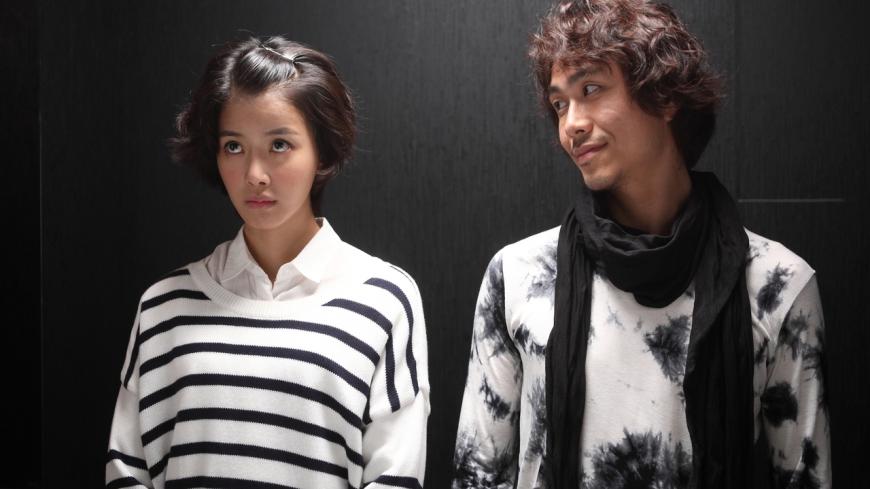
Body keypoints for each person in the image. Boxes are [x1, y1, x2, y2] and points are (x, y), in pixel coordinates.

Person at [452, 1, 830, 488]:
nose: (571, 125)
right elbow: (479, 475)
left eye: (591, 89)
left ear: (665, 96)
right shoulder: (518, 275)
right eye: (560, 104)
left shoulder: (777, 285)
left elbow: (804, 477)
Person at [106, 36, 429, 489]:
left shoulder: (383, 299)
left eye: (279, 144)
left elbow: (395, 478)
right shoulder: (163, 307)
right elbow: (126, 472)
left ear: (322, 151)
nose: (254, 174)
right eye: (233, 147)